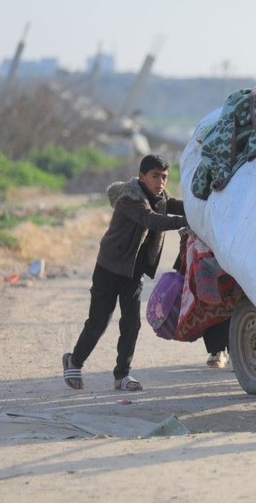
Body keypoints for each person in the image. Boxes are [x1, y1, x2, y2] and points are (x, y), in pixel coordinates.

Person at [62, 154, 187, 391]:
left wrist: (200, 206)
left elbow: (172, 205)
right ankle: (74, 360)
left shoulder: (159, 197)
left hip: (134, 272)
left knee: (131, 324)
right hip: (109, 268)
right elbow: (152, 220)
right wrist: (186, 220)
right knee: (98, 321)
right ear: (142, 177)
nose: (160, 181)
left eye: (164, 177)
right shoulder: (130, 198)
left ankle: (122, 375)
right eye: (155, 176)